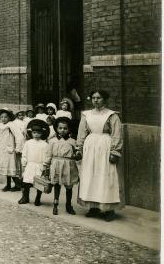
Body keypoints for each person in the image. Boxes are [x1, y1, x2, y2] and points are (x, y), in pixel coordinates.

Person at [75, 89, 123, 221]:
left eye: (99, 98)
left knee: (106, 176)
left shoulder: (112, 115)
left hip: (105, 146)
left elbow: (116, 134)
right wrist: (79, 148)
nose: (96, 100)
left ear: (105, 100)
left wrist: (115, 151)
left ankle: (109, 209)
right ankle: (93, 207)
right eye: (94, 97)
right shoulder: (86, 115)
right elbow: (81, 132)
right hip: (90, 148)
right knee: (90, 175)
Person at [44, 116, 79, 215]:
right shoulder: (52, 141)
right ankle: (55, 204)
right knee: (57, 185)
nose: (62, 130)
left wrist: (78, 154)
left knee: (69, 186)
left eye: (65, 128)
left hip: (69, 165)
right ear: (56, 128)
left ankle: (68, 205)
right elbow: (48, 154)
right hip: (56, 164)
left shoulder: (72, 141)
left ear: (69, 129)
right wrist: (46, 165)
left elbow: (76, 154)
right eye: (60, 128)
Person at [0, 108, 24, 192]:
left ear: (9, 118)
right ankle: (8, 184)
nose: (3, 119)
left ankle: (18, 184)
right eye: (2, 117)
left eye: (5, 117)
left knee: (11, 167)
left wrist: (18, 148)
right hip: (2, 149)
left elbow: (19, 137)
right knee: (5, 168)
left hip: (10, 150)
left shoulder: (12, 125)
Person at [18, 119, 49, 206]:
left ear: (41, 133)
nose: (36, 134)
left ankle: (38, 198)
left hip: (39, 165)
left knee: (39, 183)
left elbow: (46, 155)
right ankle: (25, 197)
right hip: (30, 165)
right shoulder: (28, 143)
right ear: (31, 133)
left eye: (38, 133)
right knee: (26, 182)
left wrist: (45, 165)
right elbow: (24, 154)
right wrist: (24, 163)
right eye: (34, 133)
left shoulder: (45, 144)